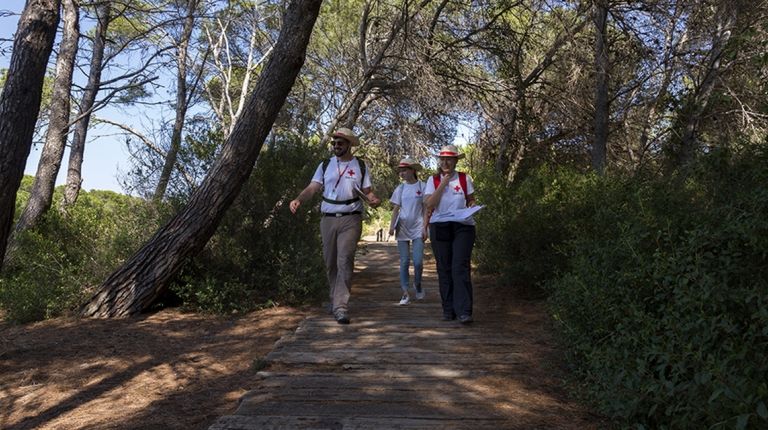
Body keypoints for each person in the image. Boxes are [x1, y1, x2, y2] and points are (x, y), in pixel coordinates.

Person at [289, 127, 381, 324]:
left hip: (351, 217)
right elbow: (313, 187)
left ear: (349, 145)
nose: (336, 146)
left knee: (344, 260)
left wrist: (374, 200)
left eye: (340, 143)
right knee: (330, 261)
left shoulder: (360, 166)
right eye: (334, 143)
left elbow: (367, 191)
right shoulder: (325, 165)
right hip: (328, 218)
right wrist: (299, 199)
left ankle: (341, 306)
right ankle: (335, 298)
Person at [423, 144, 477, 324]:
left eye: (449, 159)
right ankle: (448, 309)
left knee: (460, 267)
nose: (445, 162)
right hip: (440, 226)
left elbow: (471, 199)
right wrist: (444, 183)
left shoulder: (464, 178)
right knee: (444, 268)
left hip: (463, 225)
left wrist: (472, 207)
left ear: (455, 161)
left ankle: (464, 311)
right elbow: (429, 204)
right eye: (442, 159)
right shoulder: (433, 180)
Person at [388, 157, 427, 306]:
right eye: (400, 171)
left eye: (404, 170)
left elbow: (425, 209)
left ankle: (418, 284)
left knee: (418, 262)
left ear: (413, 170)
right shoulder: (400, 188)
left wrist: (425, 227)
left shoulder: (422, 186)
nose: (402, 173)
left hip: (418, 227)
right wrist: (391, 226)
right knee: (404, 261)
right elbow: (396, 209)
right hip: (402, 228)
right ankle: (405, 292)